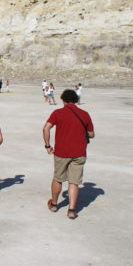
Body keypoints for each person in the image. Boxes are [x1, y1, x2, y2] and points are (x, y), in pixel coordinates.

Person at [43, 89, 95, 219]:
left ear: (63, 100)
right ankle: (71, 210)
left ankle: (54, 204)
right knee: (74, 182)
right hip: (79, 152)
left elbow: (46, 128)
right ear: (76, 100)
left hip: (61, 152)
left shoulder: (58, 113)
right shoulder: (85, 114)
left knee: (58, 178)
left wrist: (48, 145)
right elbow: (91, 134)